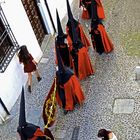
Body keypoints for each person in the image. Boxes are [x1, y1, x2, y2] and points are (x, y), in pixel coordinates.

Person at [55, 39, 85, 114]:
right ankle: (66, 107)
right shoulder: (58, 73)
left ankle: (70, 105)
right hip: (63, 89)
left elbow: (75, 86)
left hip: (69, 88)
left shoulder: (69, 75)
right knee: (63, 98)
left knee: (70, 96)